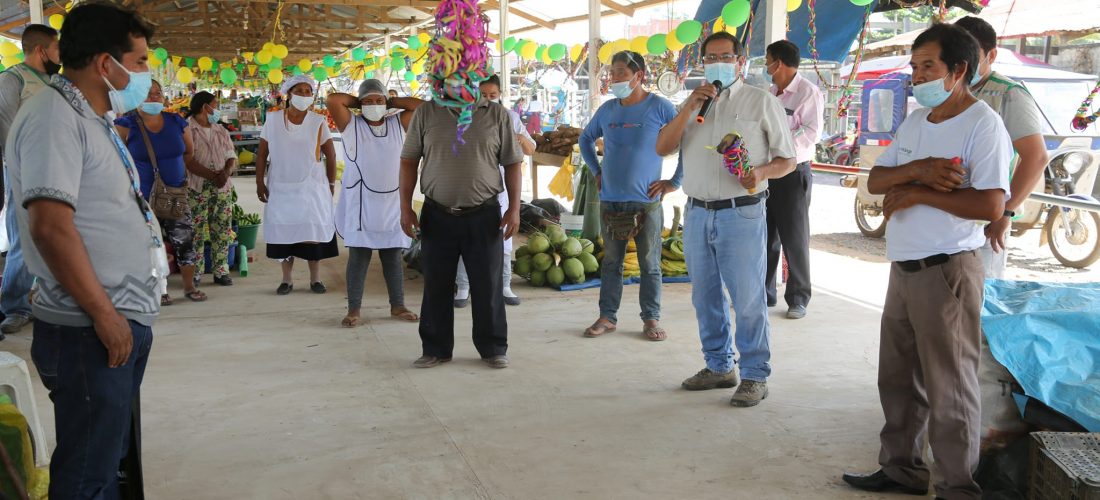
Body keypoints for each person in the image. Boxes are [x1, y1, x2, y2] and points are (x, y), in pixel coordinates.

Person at [840, 24, 1011, 499]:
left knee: (950, 387)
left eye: (928, 66)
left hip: (947, 269)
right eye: (914, 67)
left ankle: (957, 487)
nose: (917, 76)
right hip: (904, 267)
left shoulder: (982, 125)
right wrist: (918, 172)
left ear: (958, 70)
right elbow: (877, 180)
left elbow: (990, 205)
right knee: (898, 378)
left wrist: (916, 192)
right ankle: (901, 470)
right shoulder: (917, 122)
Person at [6, 4, 158, 496]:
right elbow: (51, 228)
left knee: (108, 460)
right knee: (88, 470)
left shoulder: (88, 115)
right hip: (88, 328)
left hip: (112, 321)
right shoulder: (53, 117)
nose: (146, 74)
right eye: (139, 62)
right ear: (104, 63)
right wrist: (105, 316)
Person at [654, 32, 795, 406]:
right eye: (711, 58)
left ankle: (754, 374)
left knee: (747, 298)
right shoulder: (693, 103)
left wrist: (760, 173)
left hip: (741, 213)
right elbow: (662, 147)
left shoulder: (760, 102)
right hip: (697, 213)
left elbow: (788, 160)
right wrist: (688, 106)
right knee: (705, 296)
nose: (718, 63)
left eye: (725, 57)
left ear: (740, 61)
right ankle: (719, 365)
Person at [399, 78, 523, 370]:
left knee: (488, 284)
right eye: (450, 76)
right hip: (437, 214)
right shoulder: (426, 112)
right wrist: (405, 208)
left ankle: (493, 348)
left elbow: (512, 163)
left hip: (484, 215)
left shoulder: (496, 114)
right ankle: (436, 348)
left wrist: (515, 209)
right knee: (436, 285)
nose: (458, 81)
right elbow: (408, 161)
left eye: (464, 75)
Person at [579, 51, 678, 342]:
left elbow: (686, 140)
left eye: (621, 72)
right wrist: (596, 170)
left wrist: (674, 182)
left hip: (646, 201)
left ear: (639, 76)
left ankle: (651, 318)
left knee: (650, 263)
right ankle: (607, 317)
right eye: (612, 72)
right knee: (612, 262)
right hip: (611, 199)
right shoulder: (607, 110)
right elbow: (585, 139)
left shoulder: (660, 107)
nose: (614, 78)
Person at [956, 16, 1048, 279]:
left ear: (991, 55)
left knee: (978, 294)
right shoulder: (948, 91)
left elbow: (1036, 157)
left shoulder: (1009, 94)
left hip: (985, 221)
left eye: (971, 53)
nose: (962, 62)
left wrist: (1006, 211)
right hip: (947, 213)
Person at [327, 79, 423, 327]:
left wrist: (389, 102)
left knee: (392, 254)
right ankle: (354, 309)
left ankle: (398, 305)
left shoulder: (398, 123)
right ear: (359, 105)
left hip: (393, 201)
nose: (373, 105)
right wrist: (363, 102)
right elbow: (334, 100)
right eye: (367, 102)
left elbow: (422, 107)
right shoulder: (352, 125)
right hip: (362, 203)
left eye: (378, 100)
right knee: (359, 256)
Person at [115, 79, 208, 305]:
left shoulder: (176, 121)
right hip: (143, 198)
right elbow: (118, 160)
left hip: (176, 195)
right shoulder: (126, 124)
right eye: (148, 93)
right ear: (136, 97)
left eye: (158, 92)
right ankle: (159, 290)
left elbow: (189, 152)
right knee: (150, 244)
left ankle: (189, 286)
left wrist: (174, 174)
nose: (154, 96)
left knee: (185, 240)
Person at [454, 74, 536, 308]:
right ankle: (463, 286)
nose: (488, 99)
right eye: (483, 95)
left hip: (502, 187)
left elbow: (530, 148)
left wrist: (518, 137)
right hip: (471, 184)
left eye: (493, 95)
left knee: (503, 236)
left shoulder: (509, 117)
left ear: (500, 94)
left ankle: (504, 284)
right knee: (467, 236)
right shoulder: (465, 116)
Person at [0, 24, 59, 338]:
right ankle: (14, 307)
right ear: (41, 50)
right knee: (23, 240)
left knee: (54, 237)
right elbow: (6, 128)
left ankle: (44, 300)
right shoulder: (13, 79)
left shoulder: (54, 82)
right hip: (24, 171)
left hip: (56, 170)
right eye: (57, 49)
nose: (60, 55)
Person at [255, 75, 338, 295]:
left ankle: (315, 279)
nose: (304, 95)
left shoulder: (318, 121)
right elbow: (262, 154)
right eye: (299, 91)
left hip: (311, 188)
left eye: (308, 91)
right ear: (288, 94)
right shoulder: (273, 120)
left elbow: (330, 155)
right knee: (284, 235)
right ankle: (287, 280)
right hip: (281, 187)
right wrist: (259, 182)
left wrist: (330, 183)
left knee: (312, 235)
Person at [763, 40, 822, 320]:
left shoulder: (808, 92)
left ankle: (798, 298)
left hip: (793, 172)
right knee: (766, 237)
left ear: (779, 64)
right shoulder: (770, 93)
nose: (766, 66)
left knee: (794, 238)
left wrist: (782, 149)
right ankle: (764, 293)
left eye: (768, 61)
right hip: (767, 172)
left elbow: (811, 133)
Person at [186, 91, 237, 287]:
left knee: (222, 229)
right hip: (197, 186)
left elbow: (231, 155)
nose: (217, 109)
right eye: (215, 104)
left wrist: (225, 173)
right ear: (204, 107)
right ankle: (196, 272)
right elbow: (188, 160)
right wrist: (212, 176)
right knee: (196, 232)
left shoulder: (220, 130)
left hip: (222, 186)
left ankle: (221, 271)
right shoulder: (187, 129)